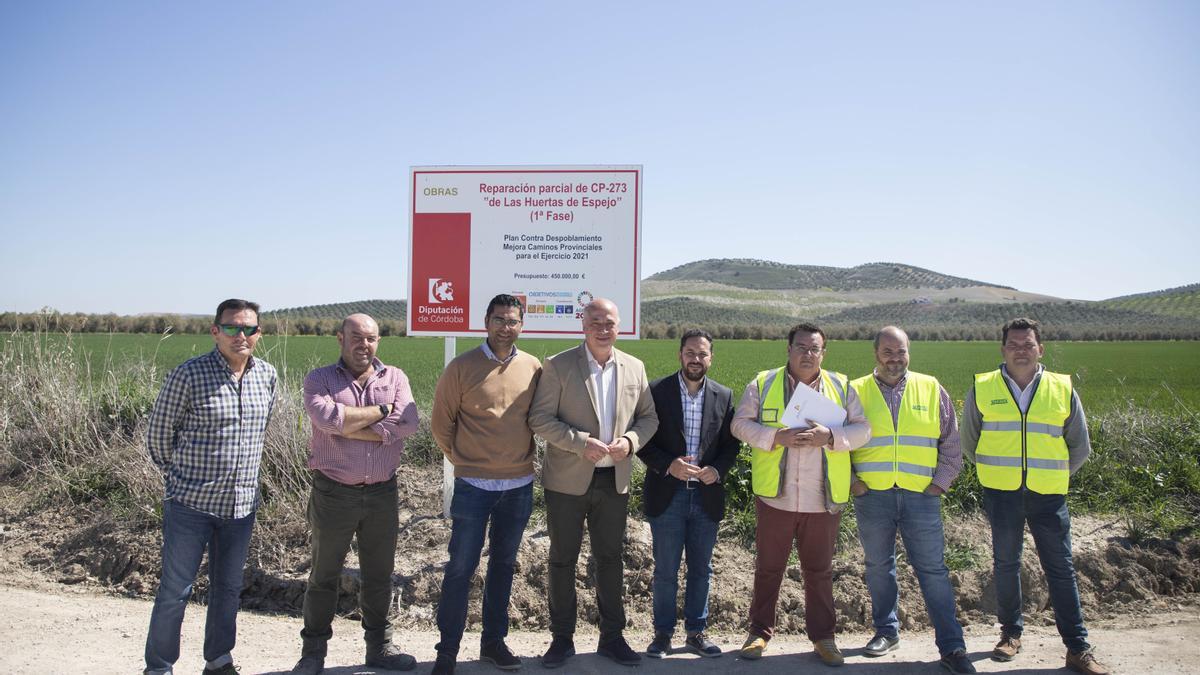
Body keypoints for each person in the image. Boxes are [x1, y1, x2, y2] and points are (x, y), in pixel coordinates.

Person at [962, 318, 1110, 675]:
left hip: (1048, 496)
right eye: (1013, 344)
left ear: (1040, 349)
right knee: (1006, 565)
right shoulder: (983, 387)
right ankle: (1010, 635)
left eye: (1028, 344)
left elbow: (1080, 446)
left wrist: (1053, 475)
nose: (1021, 351)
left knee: (1061, 570)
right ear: (1003, 350)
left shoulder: (1061, 389)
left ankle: (1077, 648)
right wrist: (999, 472)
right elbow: (970, 443)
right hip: (1002, 493)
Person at [144, 298, 278, 675]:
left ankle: (218, 661)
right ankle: (158, 667)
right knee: (175, 592)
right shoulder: (188, 375)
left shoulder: (267, 376)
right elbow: (157, 438)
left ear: (258, 334)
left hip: (240, 507)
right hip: (190, 505)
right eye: (233, 327)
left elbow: (260, 432)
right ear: (215, 331)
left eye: (249, 328)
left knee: (228, 589)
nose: (241, 335)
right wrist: (181, 480)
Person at [527, 298, 659, 668]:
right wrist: (579, 442)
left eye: (610, 323)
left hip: (613, 481)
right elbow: (540, 419)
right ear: (583, 326)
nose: (603, 329)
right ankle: (561, 639)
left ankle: (612, 638)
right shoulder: (558, 365)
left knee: (611, 559)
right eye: (596, 322)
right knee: (562, 560)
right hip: (567, 481)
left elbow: (648, 419)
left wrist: (630, 442)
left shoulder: (634, 368)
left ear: (620, 327)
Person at [731, 322, 870, 667]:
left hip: (821, 499)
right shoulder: (763, 383)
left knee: (819, 571)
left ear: (824, 352)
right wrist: (775, 438)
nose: (807, 354)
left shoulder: (841, 385)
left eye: (814, 349)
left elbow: (863, 429)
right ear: (788, 349)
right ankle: (759, 632)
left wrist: (832, 437)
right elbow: (739, 425)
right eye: (801, 347)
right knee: (768, 568)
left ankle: (824, 638)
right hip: (775, 497)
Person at [290, 313, 420, 675]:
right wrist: (381, 413)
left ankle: (380, 648)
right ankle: (313, 653)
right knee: (323, 575)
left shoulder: (395, 377)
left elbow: (408, 422)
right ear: (340, 338)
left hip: (382, 493)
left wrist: (350, 424)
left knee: (379, 574)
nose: (364, 345)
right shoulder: (320, 379)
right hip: (334, 493)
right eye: (357, 337)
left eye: (372, 338)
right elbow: (326, 420)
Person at [847, 326, 974, 674]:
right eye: (887, 351)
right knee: (877, 567)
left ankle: (952, 647)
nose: (894, 358)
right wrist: (853, 482)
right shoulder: (854, 391)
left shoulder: (931, 387)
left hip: (922, 497)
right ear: (876, 353)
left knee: (933, 570)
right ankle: (886, 632)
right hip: (873, 496)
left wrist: (940, 484)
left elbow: (951, 442)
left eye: (900, 351)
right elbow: (838, 444)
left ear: (909, 352)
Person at [429, 294, 542, 675]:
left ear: (521, 325)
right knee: (461, 566)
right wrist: (464, 459)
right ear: (486, 322)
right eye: (498, 320)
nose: (505, 327)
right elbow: (441, 424)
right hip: (474, 486)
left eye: (512, 321)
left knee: (504, 565)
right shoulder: (461, 367)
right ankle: (447, 650)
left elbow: (538, 419)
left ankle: (493, 642)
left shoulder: (533, 367)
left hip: (518, 485)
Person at [636, 329, 740, 659]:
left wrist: (717, 471)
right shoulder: (656, 391)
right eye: (690, 353)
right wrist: (669, 465)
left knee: (701, 569)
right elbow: (642, 441)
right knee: (665, 569)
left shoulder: (723, 396)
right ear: (680, 355)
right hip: (669, 495)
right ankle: (663, 635)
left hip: (706, 497)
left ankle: (696, 632)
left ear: (711, 358)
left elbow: (730, 445)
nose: (696, 359)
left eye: (703, 354)